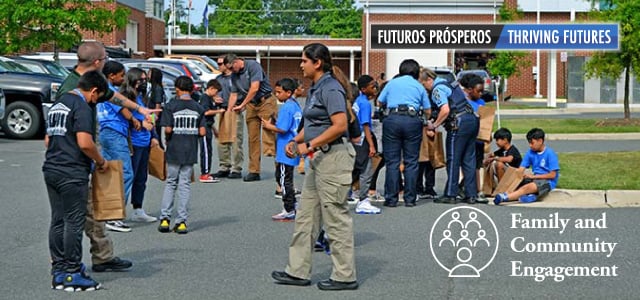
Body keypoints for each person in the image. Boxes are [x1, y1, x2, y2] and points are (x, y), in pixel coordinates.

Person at [271, 42, 358, 291]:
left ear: (317, 63)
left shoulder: (330, 88)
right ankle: (297, 271)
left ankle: (344, 275)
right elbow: (314, 124)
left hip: (334, 157)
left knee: (335, 218)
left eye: (304, 61)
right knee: (306, 216)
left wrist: (308, 146)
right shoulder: (315, 88)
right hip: (320, 158)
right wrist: (295, 141)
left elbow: (339, 125)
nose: (301, 65)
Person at [55, 41, 133, 274]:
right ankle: (63, 263)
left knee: (93, 209)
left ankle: (103, 256)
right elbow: (66, 134)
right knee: (70, 216)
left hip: (83, 159)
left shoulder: (96, 85)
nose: (108, 61)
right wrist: (99, 160)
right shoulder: (69, 89)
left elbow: (114, 97)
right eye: (106, 57)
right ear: (97, 62)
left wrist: (141, 110)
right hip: (73, 161)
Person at [44, 71, 108, 291]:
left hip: (51, 167)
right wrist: (100, 161)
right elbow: (84, 142)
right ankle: (72, 271)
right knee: (74, 221)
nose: (95, 102)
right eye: (96, 98)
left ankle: (59, 269)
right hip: (72, 171)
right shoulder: (81, 106)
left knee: (58, 220)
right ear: (93, 90)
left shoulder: (59, 104)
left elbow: (47, 139)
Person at [422, 67, 479, 204]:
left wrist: (434, 125)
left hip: (458, 123)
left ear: (429, 80)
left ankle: (450, 194)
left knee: (453, 159)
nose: (426, 89)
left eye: (424, 85)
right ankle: (471, 194)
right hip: (472, 120)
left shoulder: (437, 89)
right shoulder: (450, 83)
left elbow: (445, 110)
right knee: (469, 159)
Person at [377, 59, 430, 207]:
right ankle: (410, 199)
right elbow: (428, 109)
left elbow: (380, 102)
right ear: (416, 72)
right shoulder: (418, 86)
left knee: (392, 161)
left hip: (392, 120)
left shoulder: (391, 84)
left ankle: (391, 199)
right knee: (411, 161)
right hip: (412, 120)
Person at [157, 76, 206, 234]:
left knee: (171, 182)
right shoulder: (198, 108)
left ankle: (165, 219)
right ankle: (182, 221)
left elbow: (168, 129)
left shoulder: (171, 106)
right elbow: (203, 131)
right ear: (192, 89)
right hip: (190, 149)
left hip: (174, 148)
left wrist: (166, 140)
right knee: (185, 184)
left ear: (177, 89)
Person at [97, 61, 138, 233]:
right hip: (114, 132)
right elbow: (122, 109)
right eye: (121, 75)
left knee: (111, 173)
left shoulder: (100, 88)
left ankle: (107, 212)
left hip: (104, 132)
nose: (123, 78)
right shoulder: (110, 91)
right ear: (111, 75)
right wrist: (135, 118)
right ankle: (114, 217)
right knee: (126, 173)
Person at [225, 53, 277, 182]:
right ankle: (254, 171)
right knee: (252, 139)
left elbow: (254, 88)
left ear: (237, 61)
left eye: (231, 68)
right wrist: (229, 110)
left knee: (270, 136)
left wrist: (242, 104)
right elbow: (234, 94)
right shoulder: (234, 76)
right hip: (252, 105)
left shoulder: (253, 66)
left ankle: (280, 167)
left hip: (265, 101)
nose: (231, 71)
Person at [261, 78, 303, 221]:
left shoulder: (286, 107)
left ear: (288, 92)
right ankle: (292, 205)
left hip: (286, 148)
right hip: (293, 147)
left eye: (279, 92)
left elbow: (283, 128)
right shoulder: (295, 105)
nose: (277, 95)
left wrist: (268, 126)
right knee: (285, 177)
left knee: (284, 178)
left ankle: (289, 208)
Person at [121, 68, 159, 223]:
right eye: (140, 80)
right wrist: (141, 124)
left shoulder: (142, 98)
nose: (143, 83)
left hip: (145, 140)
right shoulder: (125, 98)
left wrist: (154, 135)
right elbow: (125, 119)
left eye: (145, 80)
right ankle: (118, 211)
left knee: (141, 178)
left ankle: (138, 209)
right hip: (133, 142)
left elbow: (148, 116)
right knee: (129, 176)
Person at [494, 128, 560, 204]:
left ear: (540, 141)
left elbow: (552, 175)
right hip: (534, 179)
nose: (530, 145)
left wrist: (533, 177)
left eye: (532, 143)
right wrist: (516, 179)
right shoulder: (530, 153)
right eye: (529, 143)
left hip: (547, 182)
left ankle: (505, 197)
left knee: (528, 187)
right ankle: (530, 196)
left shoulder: (550, 154)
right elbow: (521, 169)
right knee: (519, 182)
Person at [351, 75, 381, 214]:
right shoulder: (365, 104)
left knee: (355, 168)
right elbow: (366, 126)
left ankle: (349, 194)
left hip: (356, 140)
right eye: (372, 86)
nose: (375, 88)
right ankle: (363, 200)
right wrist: (372, 145)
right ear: (363, 89)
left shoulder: (358, 101)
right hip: (363, 139)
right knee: (366, 169)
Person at [213, 55, 245, 179]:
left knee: (236, 140)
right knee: (221, 140)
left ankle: (236, 168)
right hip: (221, 110)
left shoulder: (236, 78)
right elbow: (212, 92)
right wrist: (214, 98)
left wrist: (242, 106)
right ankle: (224, 166)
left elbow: (244, 92)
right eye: (218, 63)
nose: (219, 66)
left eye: (221, 64)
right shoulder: (218, 79)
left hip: (234, 110)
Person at [199, 79, 225, 183]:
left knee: (209, 150)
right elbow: (205, 112)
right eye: (216, 91)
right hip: (204, 127)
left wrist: (214, 129)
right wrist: (219, 111)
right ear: (211, 88)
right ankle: (204, 173)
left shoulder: (210, 99)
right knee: (205, 150)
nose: (216, 94)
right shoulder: (205, 98)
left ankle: (207, 172)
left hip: (208, 126)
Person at [147, 68, 167, 148]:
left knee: (156, 135)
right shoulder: (152, 87)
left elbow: (158, 105)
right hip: (150, 114)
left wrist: (154, 118)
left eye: (149, 73)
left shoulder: (157, 88)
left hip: (154, 115)